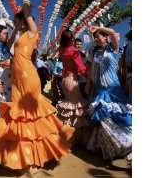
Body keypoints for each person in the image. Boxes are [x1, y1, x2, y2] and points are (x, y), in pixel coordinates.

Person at [0, 4, 74, 171]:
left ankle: (35, 159)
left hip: (28, 77)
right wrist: (17, 26)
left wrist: (26, 13)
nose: (13, 22)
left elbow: (33, 26)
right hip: (17, 79)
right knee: (20, 117)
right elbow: (7, 46)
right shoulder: (19, 35)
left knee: (31, 116)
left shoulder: (31, 33)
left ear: (25, 21)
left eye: (16, 21)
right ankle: (24, 157)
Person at [86, 26, 132, 160]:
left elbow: (112, 32)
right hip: (101, 89)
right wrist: (89, 84)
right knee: (105, 120)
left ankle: (126, 144)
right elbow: (93, 71)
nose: (96, 39)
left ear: (105, 37)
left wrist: (99, 28)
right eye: (94, 37)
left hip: (114, 89)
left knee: (119, 118)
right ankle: (111, 148)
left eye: (98, 36)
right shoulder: (96, 53)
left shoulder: (114, 48)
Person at [56, 31, 89, 145]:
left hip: (64, 79)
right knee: (76, 108)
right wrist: (90, 76)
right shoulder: (73, 51)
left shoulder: (61, 50)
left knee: (69, 108)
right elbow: (81, 68)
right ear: (71, 39)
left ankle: (66, 134)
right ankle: (73, 138)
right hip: (72, 80)